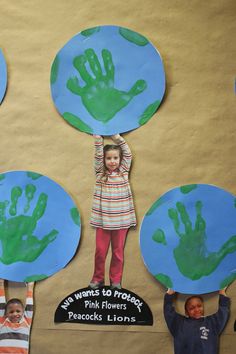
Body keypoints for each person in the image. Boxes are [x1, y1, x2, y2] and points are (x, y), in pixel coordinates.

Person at [89, 134, 136, 290]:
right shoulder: (100, 175)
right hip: (103, 221)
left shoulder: (123, 173)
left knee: (118, 253)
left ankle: (115, 280)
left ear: (120, 159)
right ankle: (98, 278)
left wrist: (116, 137)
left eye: (115, 158)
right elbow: (97, 156)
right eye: (108, 158)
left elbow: (128, 153)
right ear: (103, 160)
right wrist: (98, 140)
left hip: (121, 220)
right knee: (100, 252)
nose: (112, 161)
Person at [163, 288, 230, 354]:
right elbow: (168, 311)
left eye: (199, 306)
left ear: (203, 307)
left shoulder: (212, 323)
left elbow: (223, 311)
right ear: (186, 312)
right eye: (192, 308)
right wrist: (169, 294)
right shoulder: (178, 324)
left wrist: (222, 292)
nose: (197, 310)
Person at [0, 279, 34, 354]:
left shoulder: (26, 321)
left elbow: (29, 306)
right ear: (6, 313)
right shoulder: (3, 321)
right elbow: (1, 304)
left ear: (23, 312)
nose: (15, 314)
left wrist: (30, 286)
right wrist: (1, 283)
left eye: (18, 311)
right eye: (11, 312)